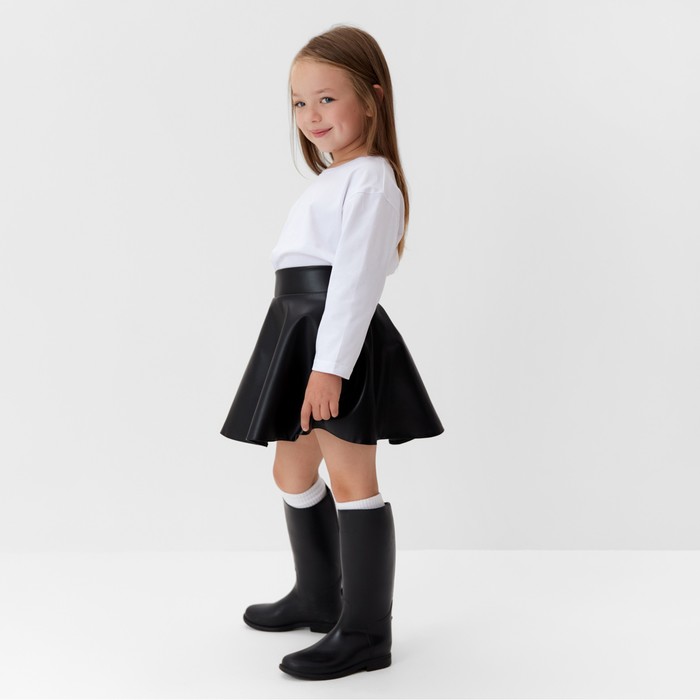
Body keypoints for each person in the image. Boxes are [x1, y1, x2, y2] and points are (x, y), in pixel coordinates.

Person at [219, 24, 445, 681]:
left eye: (326, 98)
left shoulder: (371, 179)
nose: (311, 115)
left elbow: (355, 283)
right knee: (291, 472)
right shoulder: (336, 178)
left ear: (372, 99)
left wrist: (329, 367)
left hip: (330, 335)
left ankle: (368, 632)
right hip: (297, 327)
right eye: (299, 102)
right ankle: (320, 595)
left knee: (352, 480)